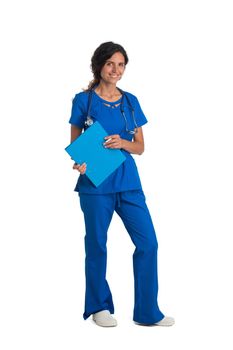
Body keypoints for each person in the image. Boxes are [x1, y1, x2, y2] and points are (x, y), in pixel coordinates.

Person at [68, 41, 175, 327]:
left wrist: (122, 142)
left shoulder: (130, 101)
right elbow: (76, 145)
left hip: (128, 181)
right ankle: (98, 307)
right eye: (110, 64)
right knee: (97, 244)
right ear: (99, 66)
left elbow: (139, 147)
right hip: (95, 183)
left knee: (148, 243)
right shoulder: (84, 101)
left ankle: (147, 312)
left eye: (121, 65)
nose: (116, 70)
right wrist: (79, 163)